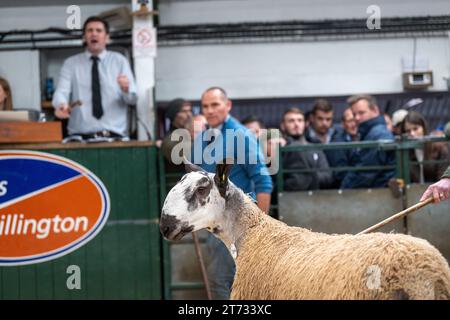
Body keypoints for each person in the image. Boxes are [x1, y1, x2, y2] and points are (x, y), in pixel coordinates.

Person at [192, 87, 272, 300]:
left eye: (215, 104)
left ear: (227, 106)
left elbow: (263, 181)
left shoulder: (241, 135)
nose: (209, 110)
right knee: (222, 281)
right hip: (212, 222)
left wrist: (259, 226)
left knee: (221, 280)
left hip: (237, 221)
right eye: (205, 106)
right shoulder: (200, 139)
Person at [52, 16, 137, 138]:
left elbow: (132, 100)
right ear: (84, 37)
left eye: (99, 30)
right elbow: (61, 92)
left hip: (114, 137)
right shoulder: (71, 63)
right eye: (90, 30)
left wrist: (126, 90)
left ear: (107, 38)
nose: (94, 34)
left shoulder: (119, 61)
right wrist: (61, 105)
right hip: (79, 137)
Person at [340, 95, 395, 189]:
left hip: (379, 192)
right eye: (354, 114)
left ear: (375, 110)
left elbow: (365, 173)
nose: (356, 118)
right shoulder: (372, 133)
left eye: (361, 113)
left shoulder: (377, 134)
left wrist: (343, 191)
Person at [280, 107, 333, 191]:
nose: (296, 124)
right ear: (283, 126)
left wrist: (305, 178)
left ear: (305, 124)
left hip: (314, 198)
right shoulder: (278, 148)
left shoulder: (316, 148)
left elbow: (327, 177)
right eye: (291, 121)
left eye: (300, 120)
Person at [400, 111, 449, 183]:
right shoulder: (405, 152)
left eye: (415, 128)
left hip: (437, 191)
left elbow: (443, 179)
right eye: (408, 131)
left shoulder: (439, 148)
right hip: (414, 192)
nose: (412, 133)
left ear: (423, 128)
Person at [160, 98, 193, 163]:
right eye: (184, 111)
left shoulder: (193, 133)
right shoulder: (170, 138)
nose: (189, 114)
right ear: (174, 115)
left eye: (190, 111)